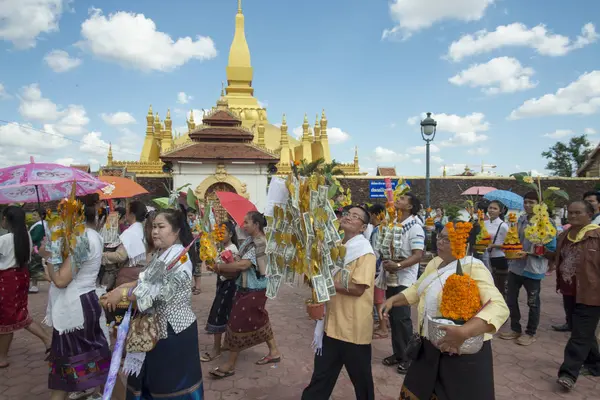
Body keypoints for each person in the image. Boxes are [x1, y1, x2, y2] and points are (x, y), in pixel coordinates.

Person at [383, 222, 509, 399]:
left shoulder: (474, 268)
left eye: (447, 239)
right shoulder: (435, 263)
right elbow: (418, 289)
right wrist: (393, 300)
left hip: (459, 351)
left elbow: (498, 306)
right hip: (429, 348)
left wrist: (464, 331)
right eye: (439, 236)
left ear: (464, 244)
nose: (439, 242)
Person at [102, 208, 204, 398]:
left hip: (173, 332)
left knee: (170, 386)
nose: (155, 232)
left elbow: (154, 293)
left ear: (176, 231)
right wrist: (118, 290)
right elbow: (144, 279)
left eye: (161, 227)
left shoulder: (180, 259)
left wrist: (122, 294)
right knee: (149, 381)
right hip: (152, 329)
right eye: (153, 227)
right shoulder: (161, 254)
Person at [39, 198, 111, 400]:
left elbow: (61, 280)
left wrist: (52, 256)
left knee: (82, 362)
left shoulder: (82, 239)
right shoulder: (91, 235)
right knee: (95, 361)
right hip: (84, 301)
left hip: (77, 306)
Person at [302, 206, 377, 400]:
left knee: (362, 383)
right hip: (331, 326)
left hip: (353, 330)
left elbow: (358, 289)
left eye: (355, 216)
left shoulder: (365, 252)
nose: (349, 217)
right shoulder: (336, 247)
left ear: (363, 227)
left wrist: (325, 281)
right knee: (321, 378)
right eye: (347, 214)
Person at [209, 211, 281, 379]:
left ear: (256, 225)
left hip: (254, 289)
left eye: (247, 222)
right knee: (260, 318)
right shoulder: (249, 240)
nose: (243, 225)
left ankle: (230, 364)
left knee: (236, 322)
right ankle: (274, 352)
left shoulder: (260, 243)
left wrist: (219, 267)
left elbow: (243, 265)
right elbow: (239, 258)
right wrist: (227, 257)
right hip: (245, 287)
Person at [553, 201, 600, 390]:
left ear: (589, 214)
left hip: (591, 293)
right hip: (570, 291)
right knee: (581, 331)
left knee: (579, 335)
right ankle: (595, 364)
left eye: (577, 213)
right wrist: (538, 253)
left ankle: (568, 374)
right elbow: (561, 258)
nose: (572, 216)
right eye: (570, 213)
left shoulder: (596, 236)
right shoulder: (565, 235)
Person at [500, 191, 556, 346]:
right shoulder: (522, 219)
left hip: (533, 268)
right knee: (511, 299)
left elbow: (551, 248)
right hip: (516, 266)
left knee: (532, 302)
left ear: (540, 205)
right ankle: (515, 328)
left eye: (532, 202)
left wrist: (531, 253)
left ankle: (530, 332)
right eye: (526, 202)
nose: (528, 205)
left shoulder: (547, 222)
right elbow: (515, 239)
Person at [0, 206, 52, 368]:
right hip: (21, 276)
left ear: (7, 220)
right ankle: (47, 340)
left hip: (7, 280)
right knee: (19, 313)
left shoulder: (4, 240)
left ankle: (2, 357)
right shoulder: (26, 237)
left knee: (8, 318)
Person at [380, 192, 425, 374]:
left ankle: (410, 358)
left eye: (403, 199)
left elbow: (418, 255)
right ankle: (399, 353)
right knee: (394, 317)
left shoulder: (415, 227)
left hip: (404, 279)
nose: (398, 200)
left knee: (402, 319)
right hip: (391, 275)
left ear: (410, 206)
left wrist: (398, 265)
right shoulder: (395, 223)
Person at [201, 221, 239, 362]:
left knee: (218, 314)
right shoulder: (221, 248)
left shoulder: (232, 250)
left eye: (222, 232)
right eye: (218, 232)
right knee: (226, 314)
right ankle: (226, 344)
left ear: (230, 234)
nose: (220, 235)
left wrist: (217, 268)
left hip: (228, 286)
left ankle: (216, 349)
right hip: (222, 284)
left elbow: (232, 271)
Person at [101, 201, 148, 291]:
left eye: (127, 211)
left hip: (127, 275)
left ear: (132, 215)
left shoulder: (131, 232)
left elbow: (121, 256)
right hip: (138, 273)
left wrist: (101, 255)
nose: (125, 214)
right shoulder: (140, 229)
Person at [368, 203, 388, 339]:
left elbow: (375, 252)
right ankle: (383, 324)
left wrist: (371, 267)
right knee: (379, 299)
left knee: (378, 300)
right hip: (380, 268)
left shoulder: (377, 231)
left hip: (377, 269)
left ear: (374, 215)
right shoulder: (383, 228)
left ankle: (383, 328)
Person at [483, 200, 509, 296]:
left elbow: (509, 245)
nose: (492, 210)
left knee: (499, 287)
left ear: (500, 211)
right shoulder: (484, 223)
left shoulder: (503, 226)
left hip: (499, 258)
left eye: (495, 208)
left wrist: (493, 245)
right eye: (490, 208)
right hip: (486, 257)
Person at [28, 208, 49, 293]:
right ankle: (34, 286)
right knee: (34, 268)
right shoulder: (42, 224)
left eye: (35, 215)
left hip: (36, 249)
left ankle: (50, 279)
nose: (33, 216)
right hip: (37, 249)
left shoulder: (40, 225)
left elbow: (35, 237)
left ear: (42, 216)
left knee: (36, 268)